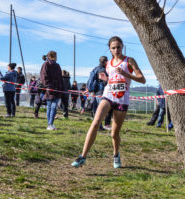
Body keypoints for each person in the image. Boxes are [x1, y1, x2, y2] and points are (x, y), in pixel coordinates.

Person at [71, 36, 146, 168]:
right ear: (110, 49)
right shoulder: (108, 64)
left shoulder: (129, 60)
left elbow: (142, 79)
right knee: (95, 122)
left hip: (122, 100)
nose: (116, 49)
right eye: (113, 48)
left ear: (122, 46)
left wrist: (126, 74)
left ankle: (116, 155)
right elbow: (109, 79)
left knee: (114, 133)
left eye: (118, 47)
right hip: (108, 95)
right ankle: (82, 156)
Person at [40, 51, 63, 130]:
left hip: (57, 89)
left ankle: (50, 124)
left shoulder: (57, 65)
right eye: (56, 56)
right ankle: (50, 124)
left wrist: (61, 87)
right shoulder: (46, 64)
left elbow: (60, 77)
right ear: (52, 56)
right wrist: (48, 85)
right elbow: (43, 76)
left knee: (53, 107)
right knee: (50, 107)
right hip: (49, 89)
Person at [86, 56, 109, 130]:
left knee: (96, 109)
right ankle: (99, 126)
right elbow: (104, 80)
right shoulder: (101, 70)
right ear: (105, 62)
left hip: (94, 91)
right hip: (100, 90)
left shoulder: (95, 69)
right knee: (100, 110)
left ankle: (97, 126)